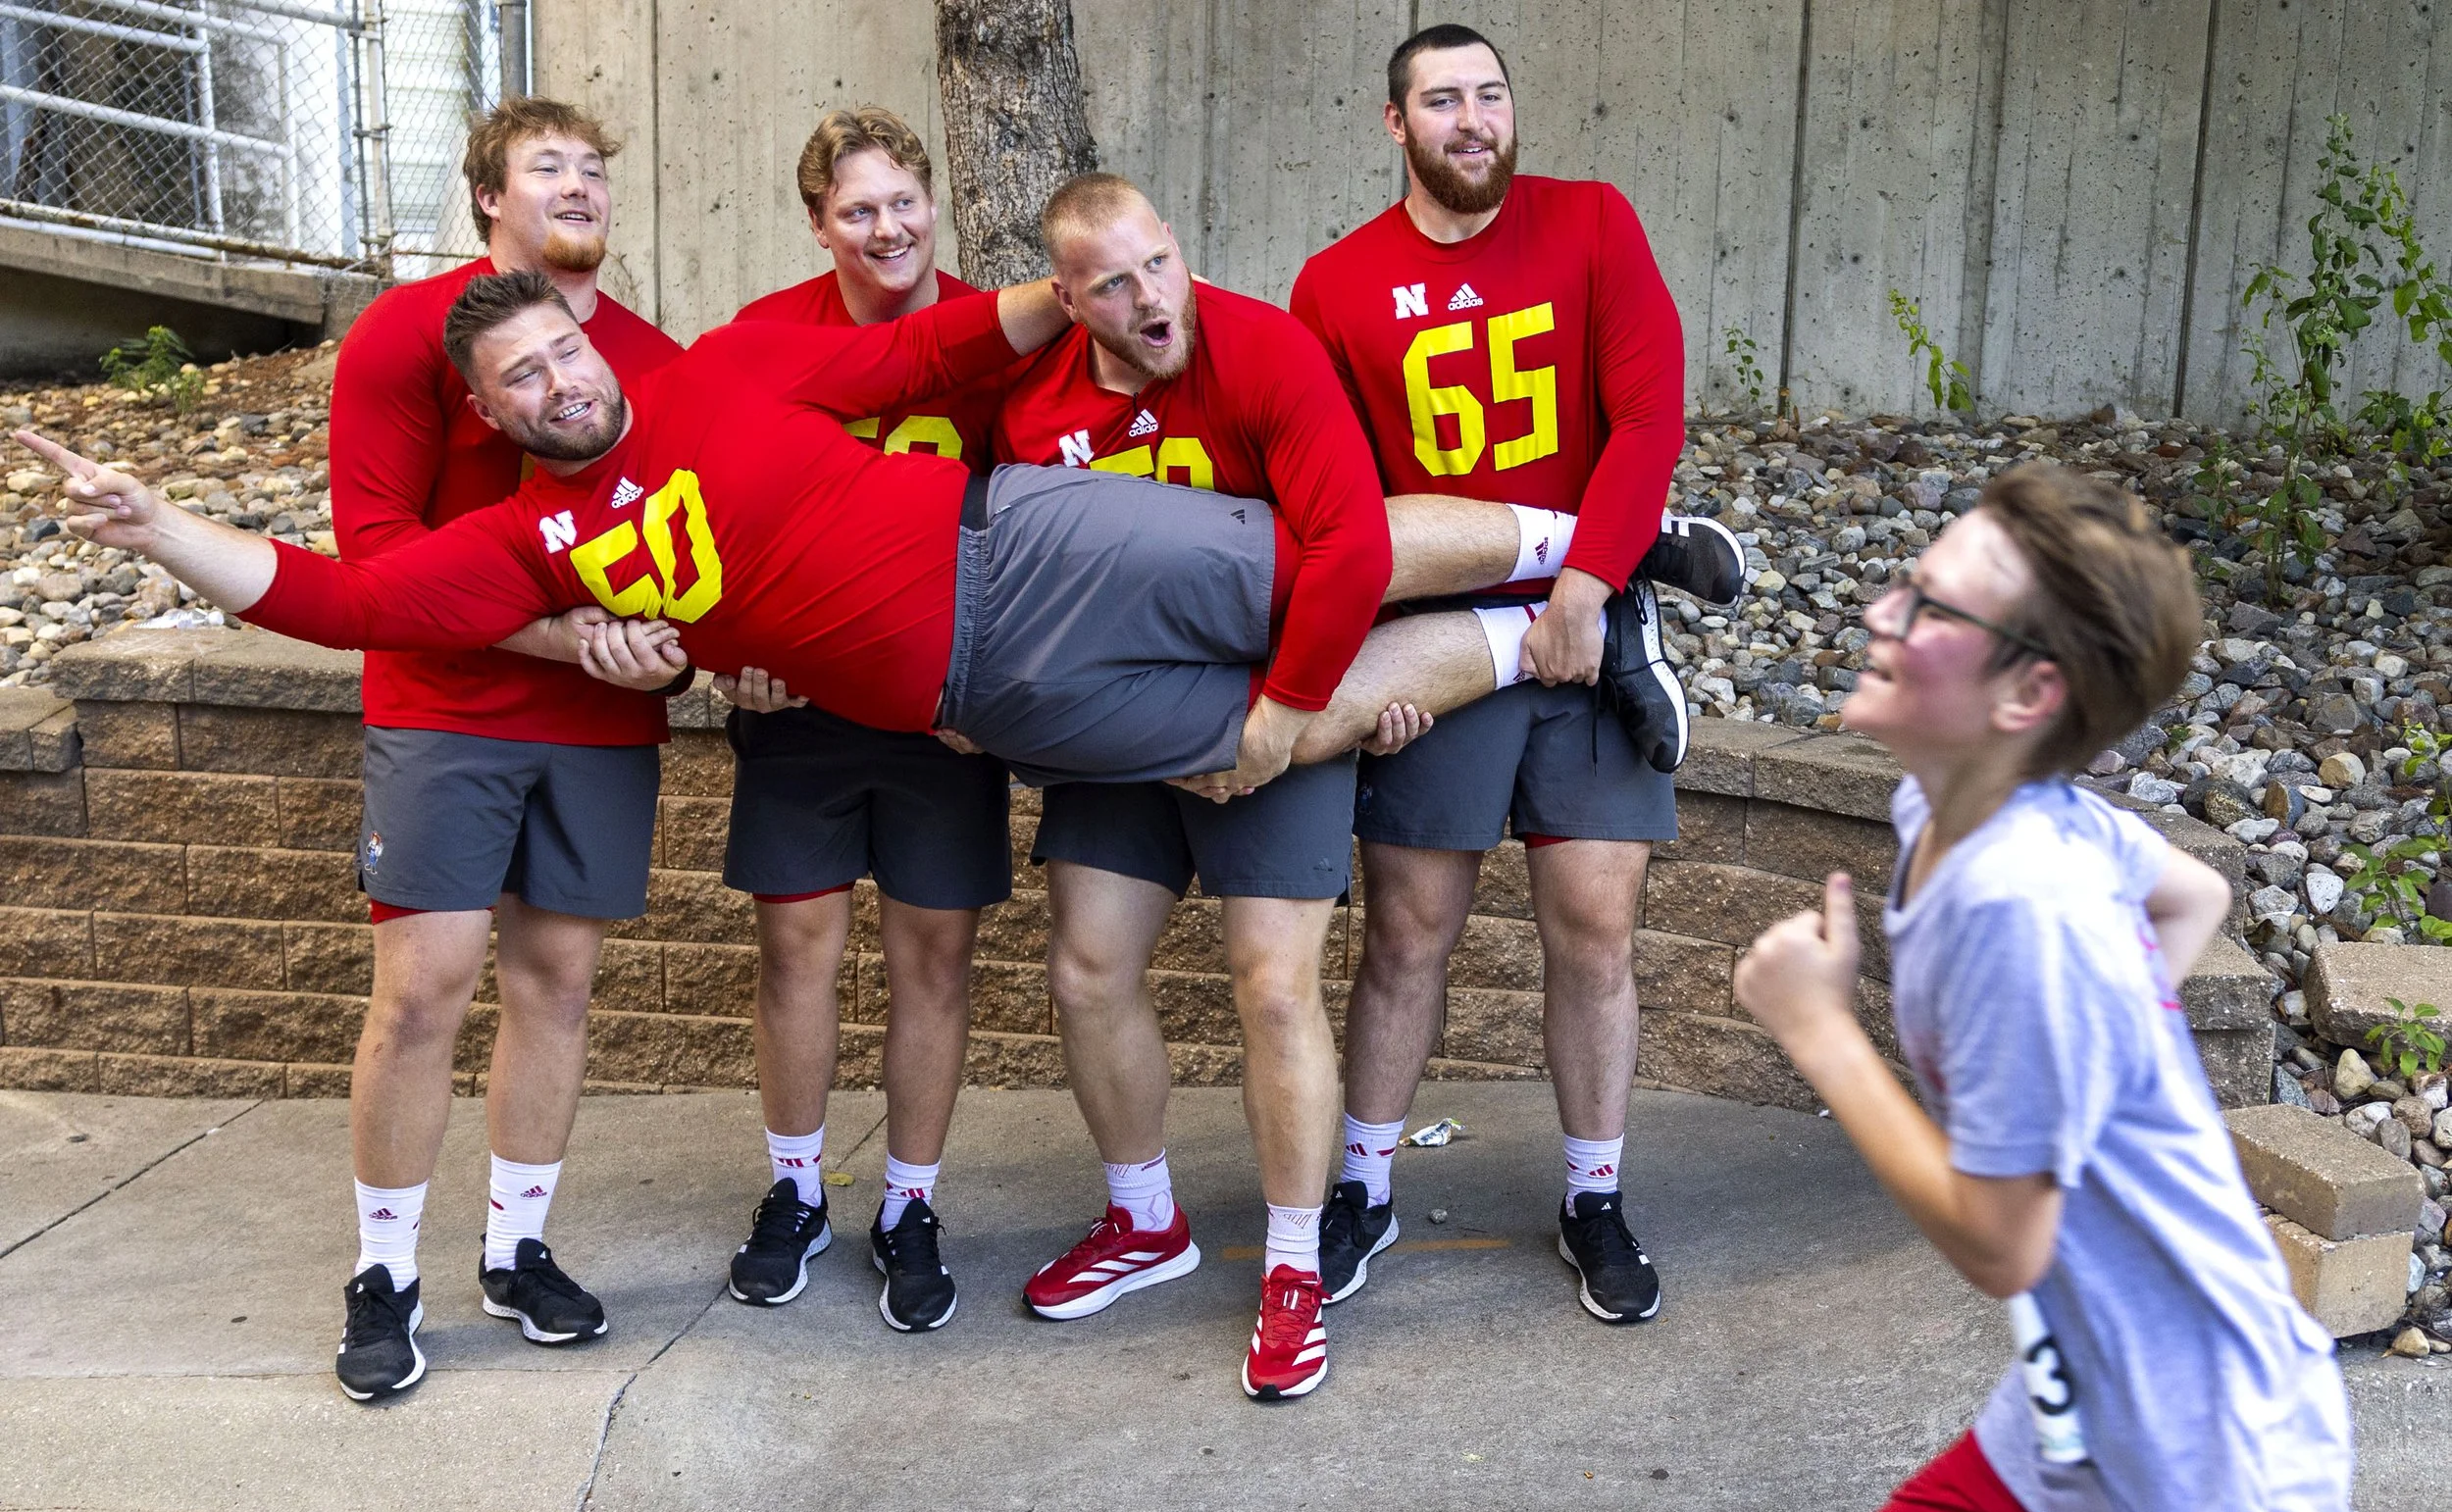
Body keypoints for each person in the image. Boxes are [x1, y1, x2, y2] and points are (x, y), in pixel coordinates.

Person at [16, 268, 1628, 814]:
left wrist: (1057, 299)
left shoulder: (719, 374)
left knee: (1304, 560)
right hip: (989, 702)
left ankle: (1597, 542)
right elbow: (341, 597)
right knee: (1258, 744)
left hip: (1027, 545)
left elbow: (924, 363)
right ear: (497, 418)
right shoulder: (532, 546)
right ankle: (1565, 635)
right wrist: (160, 525)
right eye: (522, 383)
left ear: (590, 345)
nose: (560, 382)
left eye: (563, 352)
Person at [1734, 462, 2363, 1512]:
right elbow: (2191, 898)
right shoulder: (1965, 808)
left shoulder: (2024, 907)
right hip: (2074, 1420)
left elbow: (1999, 1243)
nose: (1879, 614)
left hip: (2212, 1478)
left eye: (1926, 606)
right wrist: (2084, 1076)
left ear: (2027, 693)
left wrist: (1822, 1035)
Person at [1290, 25, 1705, 1320]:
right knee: (1408, 929)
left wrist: (1587, 586)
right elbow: (1345, 496)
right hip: (1444, 638)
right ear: (1394, 124)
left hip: (1585, 629)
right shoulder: (1336, 283)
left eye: (1490, 95)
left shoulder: (1589, 224)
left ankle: (1593, 1194)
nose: (1473, 119)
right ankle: (1363, 1179)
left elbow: (1648, 414)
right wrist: (1370, 656)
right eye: (1442, 101)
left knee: (1595, 926)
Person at [994, 173, 1390, 1400]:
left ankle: (1289, 1270)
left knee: (1272, 983)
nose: (1151, 298)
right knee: (1085, 963)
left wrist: (1277, 721)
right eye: (1112, 283)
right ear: (1066, 300)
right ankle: (1145, 1220)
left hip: (1266, 702)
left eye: (1158, 262)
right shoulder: (1031, 411)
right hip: (1124, 727)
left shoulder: (1263, 348)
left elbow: (1353, 545)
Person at [319, 97, 685, 1401]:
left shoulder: (647, 353)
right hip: (446, 706)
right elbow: (375, 563)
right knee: (424, 989)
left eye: (595, 166)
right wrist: (557, 637)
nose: (579, 184)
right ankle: (385, 1273)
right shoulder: (409, 332)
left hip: (599, 722)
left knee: (558, 987)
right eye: (547, 167)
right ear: (488, 195)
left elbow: (690, 557)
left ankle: (516, 1250)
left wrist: (688, 648)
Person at [714, 108, 1023, 1333]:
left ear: (933, 203)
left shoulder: (995, 338)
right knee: (795, 948)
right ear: (816, 223)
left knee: (931, 957)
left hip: (944, 715)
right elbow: (712, 503)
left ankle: (909, 1202)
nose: (885, 228)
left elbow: (1038, 521)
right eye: (857, 210)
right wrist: (732, 655)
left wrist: (997, 696)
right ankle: (795, 1191)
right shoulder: (763, 339)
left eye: (904, 202)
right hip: (802, 706)